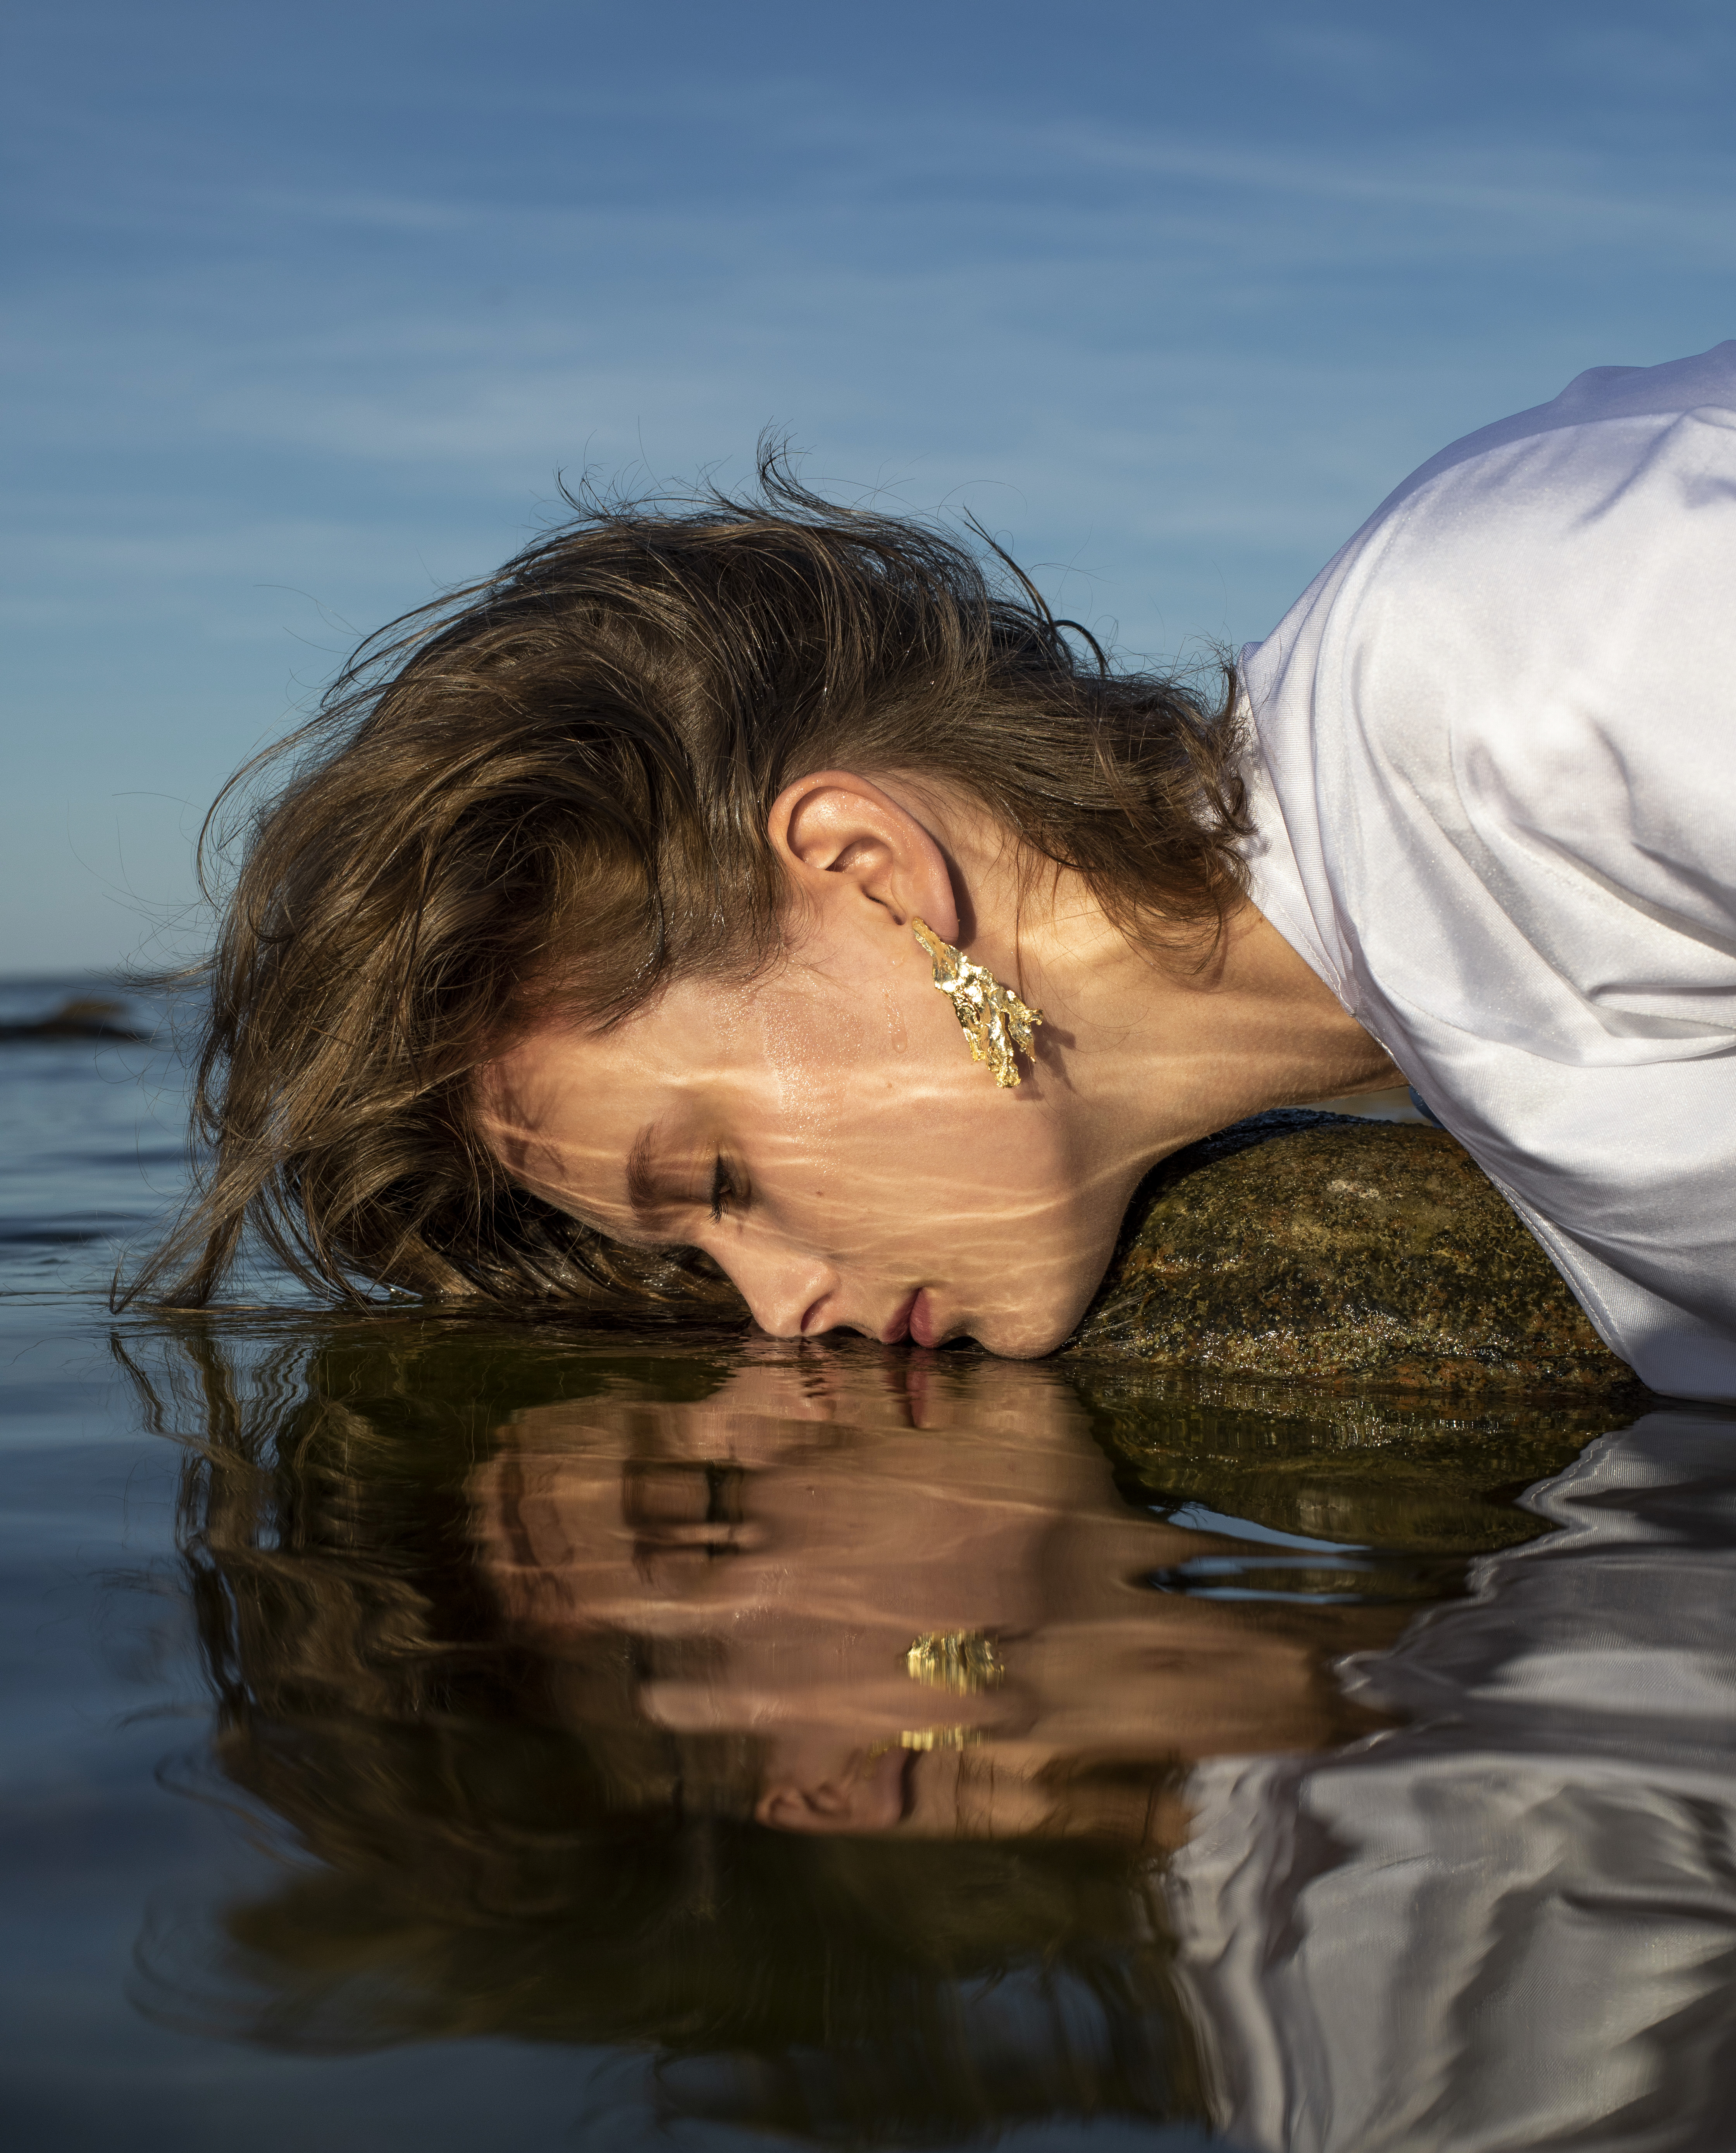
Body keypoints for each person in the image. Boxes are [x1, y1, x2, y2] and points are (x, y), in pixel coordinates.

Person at [137, 344, 1736, 1395]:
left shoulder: (1528, 659)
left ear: (873, 874)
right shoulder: (1439, 960)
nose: (775, 1313)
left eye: (714, 1183)